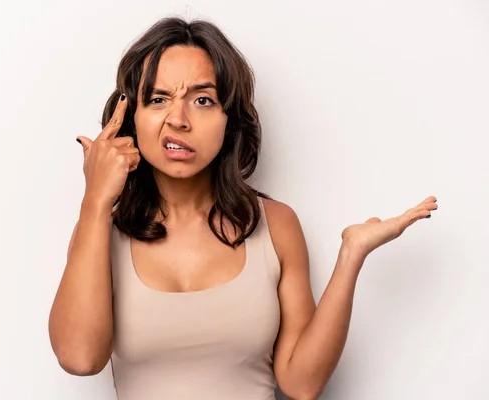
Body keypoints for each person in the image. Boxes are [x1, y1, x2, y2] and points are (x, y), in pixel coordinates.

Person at [48, 17, 438, 400]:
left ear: (228, 119)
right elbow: (80, 358)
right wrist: (95, 199)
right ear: (132, 116)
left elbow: (301, 385)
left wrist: (352, 255)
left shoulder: (276, 224)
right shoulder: (100, 230)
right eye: (158, 99)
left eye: (202, 100)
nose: (178, 120)